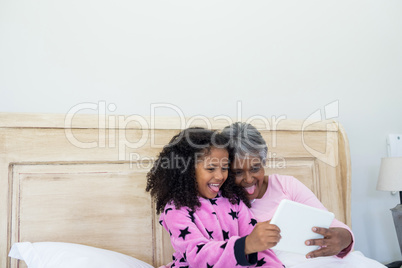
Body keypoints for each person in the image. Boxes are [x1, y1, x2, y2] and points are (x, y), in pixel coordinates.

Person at [146, 127, 284, 268]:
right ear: (187, 170)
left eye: (224, 168)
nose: (220, 176)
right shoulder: (176, 209)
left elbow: (259, 248)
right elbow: (198, 257)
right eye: (211, 168)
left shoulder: (233, 200)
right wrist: (245, 245)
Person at [221, 122, 354, 260]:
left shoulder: (286, 185)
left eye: (255, 168)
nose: (248, 179)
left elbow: (331, 224)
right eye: (238, 172)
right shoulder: (219, 201)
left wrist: (343, 238)